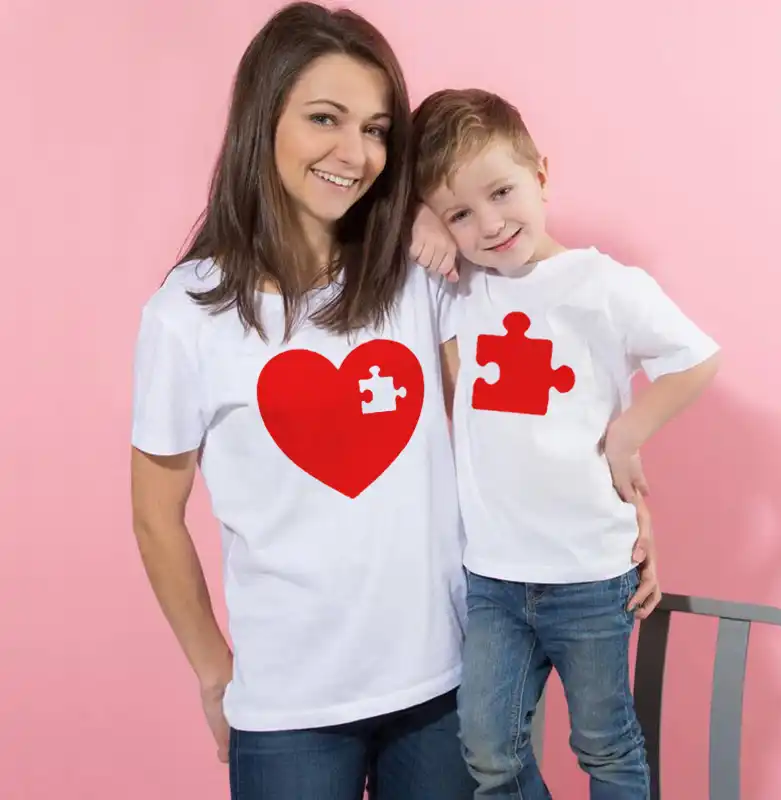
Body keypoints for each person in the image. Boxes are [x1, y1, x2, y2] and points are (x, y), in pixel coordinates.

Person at [130, 3, 659, 799]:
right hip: (288, 706)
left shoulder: (422, 274)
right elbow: (153, 514)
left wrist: (619, 501)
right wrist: (214, 670)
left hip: (442, 683)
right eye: (324, 119)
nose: (356, 152)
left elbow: (521, 415)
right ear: (259, 119)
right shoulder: (186, 314)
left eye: (377, 129)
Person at [410, 87, 721, 799]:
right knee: (486, 747)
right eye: (461, 213)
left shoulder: (603, 284)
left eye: (502, 192)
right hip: (492, 578)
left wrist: (627, 435)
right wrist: (418, 214)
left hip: (588, 574)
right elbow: (373, 219)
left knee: (604, 745)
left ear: (541, 175)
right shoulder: (462, 290)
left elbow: (698, 358)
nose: (488, 225)